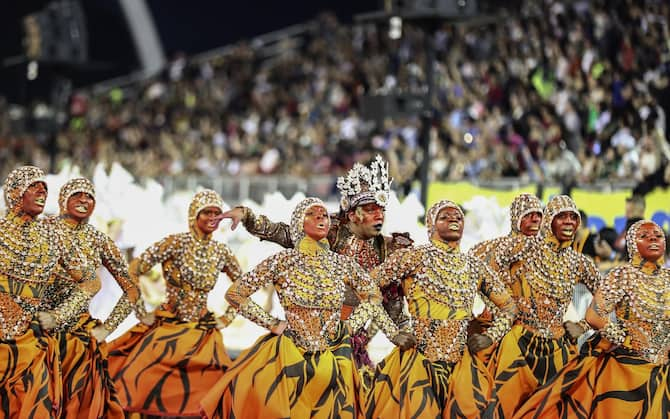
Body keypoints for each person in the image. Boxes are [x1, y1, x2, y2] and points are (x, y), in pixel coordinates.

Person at [199, 197, 416, 419]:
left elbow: (373, 295)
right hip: (288, 358)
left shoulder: (341, 263)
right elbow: (235, 294)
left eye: (323, 214)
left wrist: (351, 326)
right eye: (312, 214)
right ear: (298, 223)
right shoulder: (283, 260)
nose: (320, 217)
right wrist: (273, 324)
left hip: (333, 360)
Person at [222, 155, 412, 370]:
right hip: (297, 341)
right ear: (352, 215)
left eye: (381, 210)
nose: (379, 216)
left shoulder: (389, 249)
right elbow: (282, 232)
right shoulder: (328, 233)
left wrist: (374, 331)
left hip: (346, 345)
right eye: (370, 209)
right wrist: (248, 217)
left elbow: (388, 305)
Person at [366, 200, 517, 418]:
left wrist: (490, 337)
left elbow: (509, 307)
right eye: (445, 217)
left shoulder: (475, 265)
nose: (454, 219)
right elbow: (367, 287)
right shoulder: (414, 257)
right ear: (431, 225)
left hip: (462, 367)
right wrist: (393, 332)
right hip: (417, 362)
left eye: (458, 217)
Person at [108, 189, 243, 418]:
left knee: (213, 393)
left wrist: (228, 318)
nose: (212, 218)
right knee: (136, 381)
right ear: (193, 215)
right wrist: (141, 310)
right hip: (168, 325)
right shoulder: (174, 243)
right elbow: (134, 269)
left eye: (217, 213)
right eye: (206, 212)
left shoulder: (221, 252)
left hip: (203, 332)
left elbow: (243, 285)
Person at [514, 220, 669, 418]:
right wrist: (624, 340)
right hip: (625, 372)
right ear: (631, 243)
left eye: (657, 236)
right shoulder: (623, 275)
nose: (653, 239)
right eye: (645, 236)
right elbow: (595, 315)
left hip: (663, 374)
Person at [38, 178, 147, 418]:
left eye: (89, 197)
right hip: (37, 334)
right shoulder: (40, 230)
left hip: (79, 342)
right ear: (63, 199)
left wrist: (108, 328)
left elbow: (132, 291)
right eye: (77, 195)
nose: (84, 201)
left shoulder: (100, 241)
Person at [485, 194, 602, 417]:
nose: (569, 222)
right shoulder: (526, 246)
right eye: (562, 217)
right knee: (501, 409)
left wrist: (584, 325)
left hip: (559, 349)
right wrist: (506, 303)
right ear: (550, 220)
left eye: (573, 217)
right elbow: (489, 262)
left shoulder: (580, 262)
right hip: (519, 343)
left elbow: (606, 298)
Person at [0, 166, 95, 418]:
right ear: (13, 193)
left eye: (45, 186)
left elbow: (91, 282)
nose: (43, 190)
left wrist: (60, 314)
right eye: (34, 185)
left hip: (33, 340)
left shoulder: (54, 235)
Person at [469, 193, 542, 332]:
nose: (535, 219)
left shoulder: (544, 252)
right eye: (528, 215)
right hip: (493, 325)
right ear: (516, 218)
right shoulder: (488, 249)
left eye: (539, 215)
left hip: (534, 326)